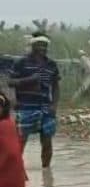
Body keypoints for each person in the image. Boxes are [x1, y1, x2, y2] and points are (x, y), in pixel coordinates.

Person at [10, 33, 61, 168]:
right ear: (32, 45)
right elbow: (10, 82)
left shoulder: (51, 65)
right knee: (20, 141)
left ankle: (46, 171)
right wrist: (28, 80)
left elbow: (56, 86)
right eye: (39, 45)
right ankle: (16, 170)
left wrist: (54, 105)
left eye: (45, 45)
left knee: (47, 142)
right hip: (25, 107)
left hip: (46, 108)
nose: (42, 48)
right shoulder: (21, 63)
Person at [0, 93, 27, 187]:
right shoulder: (8, 123)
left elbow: (10, 154)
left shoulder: (4, 126)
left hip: (6, 180)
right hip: (11, 178)